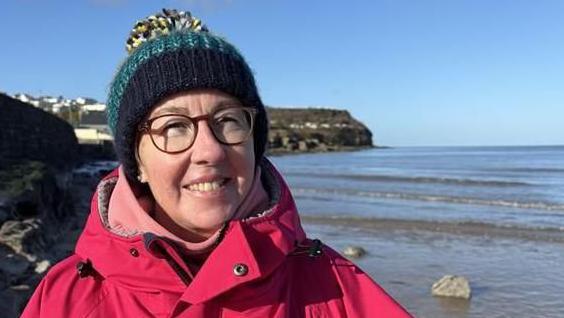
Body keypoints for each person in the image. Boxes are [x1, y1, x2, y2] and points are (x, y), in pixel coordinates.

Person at [22, 9, 411, 317]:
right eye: (173, 126)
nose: (209, 150)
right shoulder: (66, 299)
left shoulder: (335, 287)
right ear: (135, 160)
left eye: (227, 120)